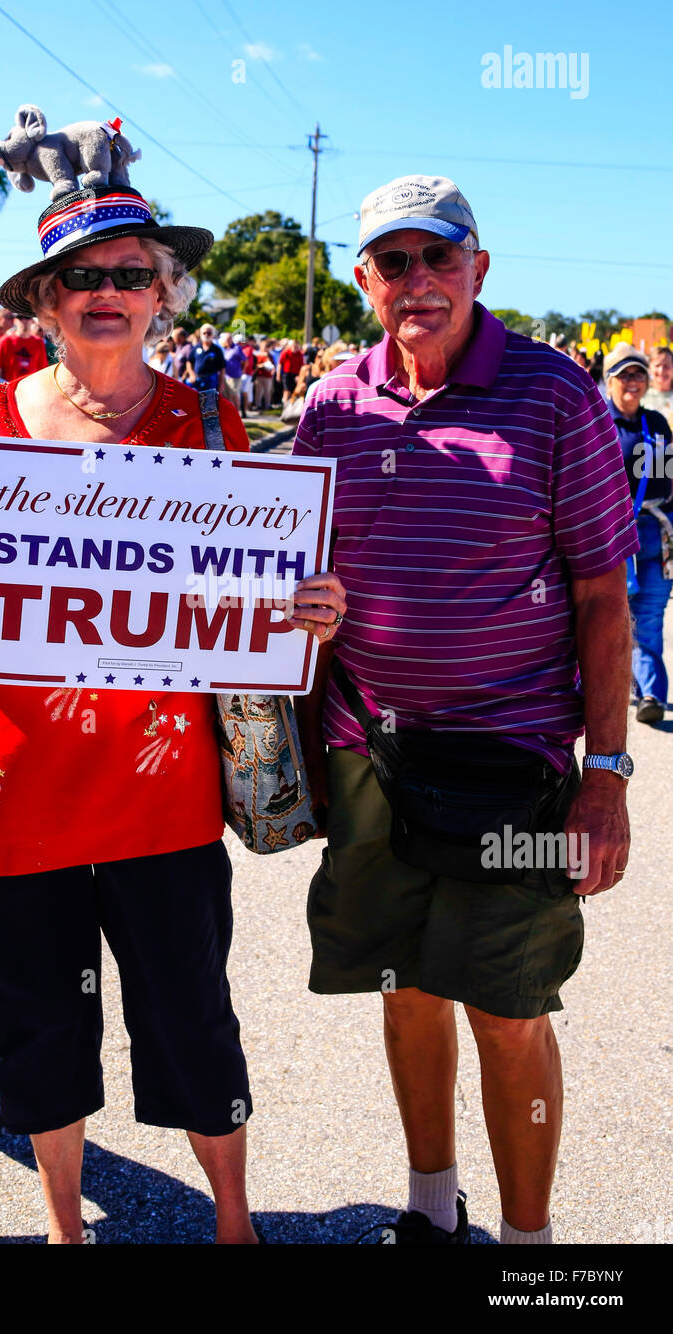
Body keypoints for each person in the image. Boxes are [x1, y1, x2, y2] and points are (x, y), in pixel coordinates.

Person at [0, 178, 344, 1245]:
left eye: (130, 274)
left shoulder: (211, 418)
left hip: (162, 791)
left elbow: (258, 574)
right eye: (81, 277)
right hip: (8, 785)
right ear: (45, 302)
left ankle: (232, 1222)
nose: (107, 291)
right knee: (34, 1018)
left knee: (190, 1014)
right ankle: (64, 1227)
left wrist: (303, 605)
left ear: (164, 296)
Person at [293, 174, 637, 1247]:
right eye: (392, 262)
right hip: (368, 755)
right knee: (403, 988)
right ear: (363, 281)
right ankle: (429, 1210)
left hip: (509, 761)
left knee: (508, 1008)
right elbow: (293, 575)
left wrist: (606, 775)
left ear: (478, 268)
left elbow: (598, 596)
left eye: (439, 257)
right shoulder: (330, 405)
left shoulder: (553, 394)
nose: (418, 281)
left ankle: (526, 1251)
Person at [605, 342, 673, 723]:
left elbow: (669, 479)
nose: (633, 381)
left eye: (639, 373)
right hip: (613, 538)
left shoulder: (658, 425)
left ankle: (651, 694)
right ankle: (624, 685)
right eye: (624, 374)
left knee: (649, 616)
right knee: (614, 618)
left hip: (656, 536)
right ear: (609, 380)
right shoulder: (595, 422)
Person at [0, 312, 49, 380]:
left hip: (31, 387)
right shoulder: (5, 341)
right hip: (10, 386)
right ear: (15, 321)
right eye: (20, 317)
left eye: (27, 317)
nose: (24, 321)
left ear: (32, 321)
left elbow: (42, 370)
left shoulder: (39, 342)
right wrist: (0, 389)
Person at [188, 322, 225, 394]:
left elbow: (222, 367)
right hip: (197, 379)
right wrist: (191, 374)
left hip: (211, 380)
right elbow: (189, 361)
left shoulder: (217, 349)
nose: (206, 335)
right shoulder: (196, 347)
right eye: (204, 333)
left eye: (209, 333)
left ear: (213, 334)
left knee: (210, 402)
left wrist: (222, 383)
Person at [644, 344, 673, 428]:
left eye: (666, 366)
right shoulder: (641, 396)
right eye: (657, 365)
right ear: (649, 369)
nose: (661, 371)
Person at [252, 337, 275, 411]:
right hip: (259, 375)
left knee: (267, 392)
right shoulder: (257, 354)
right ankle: (257, 405)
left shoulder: (269, 355)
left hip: (267, 376)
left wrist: (267, 356)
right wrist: (261, 365)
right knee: (258, 392)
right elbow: (255, 365)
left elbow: (272, 365)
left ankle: (267, 405)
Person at [278, 339, 304, 404]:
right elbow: (280, 364)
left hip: (295, 374)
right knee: (286, 390)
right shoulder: (286, 352)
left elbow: (301, 366)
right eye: (294, 345)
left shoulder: (299, 354)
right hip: (287, 374)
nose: (295, 347)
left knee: (294, 391)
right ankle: (285, 404)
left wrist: (300, 376)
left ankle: (291, 405)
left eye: (296, 346)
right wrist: (278, 375)